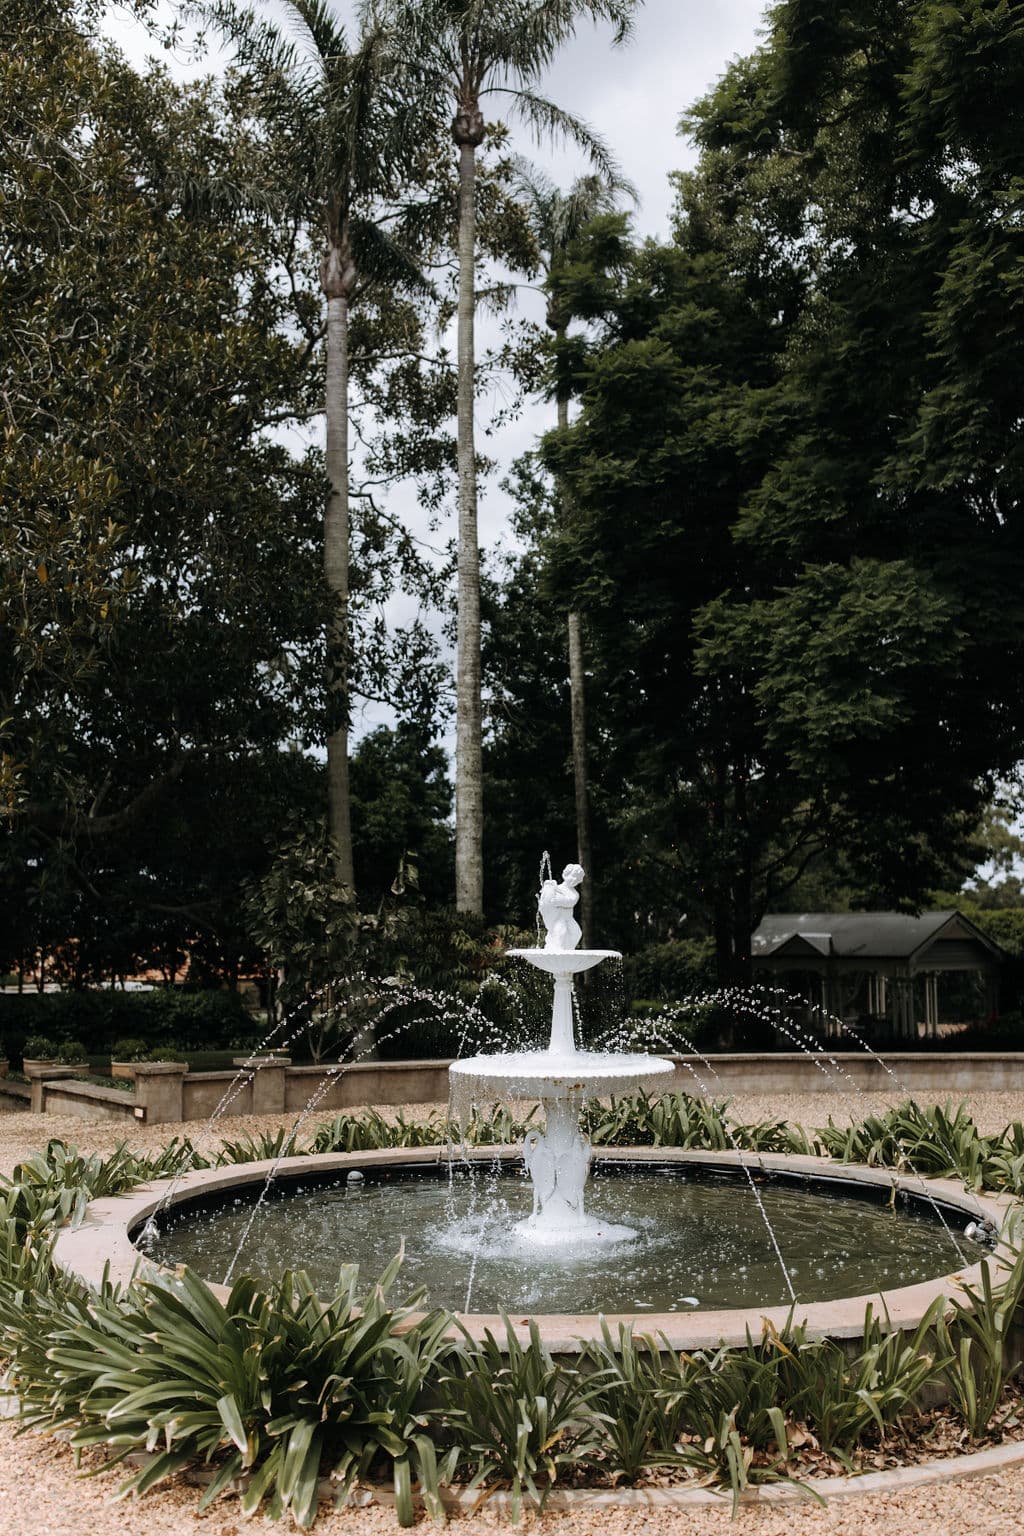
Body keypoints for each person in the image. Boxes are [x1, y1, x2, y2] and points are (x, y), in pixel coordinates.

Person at [539, 863, 585, 951]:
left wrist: (558, 900)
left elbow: (570, 902)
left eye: (578, 879)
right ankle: (558, 949)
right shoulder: (556, 888)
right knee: (561, 932)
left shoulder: (575, 894)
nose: (575, 880)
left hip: (569, 918)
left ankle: (568, 949)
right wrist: (548, 891)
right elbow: (548, 901)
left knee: (577, 933)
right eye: (573, 876)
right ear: (566, 874)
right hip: (558, 918)